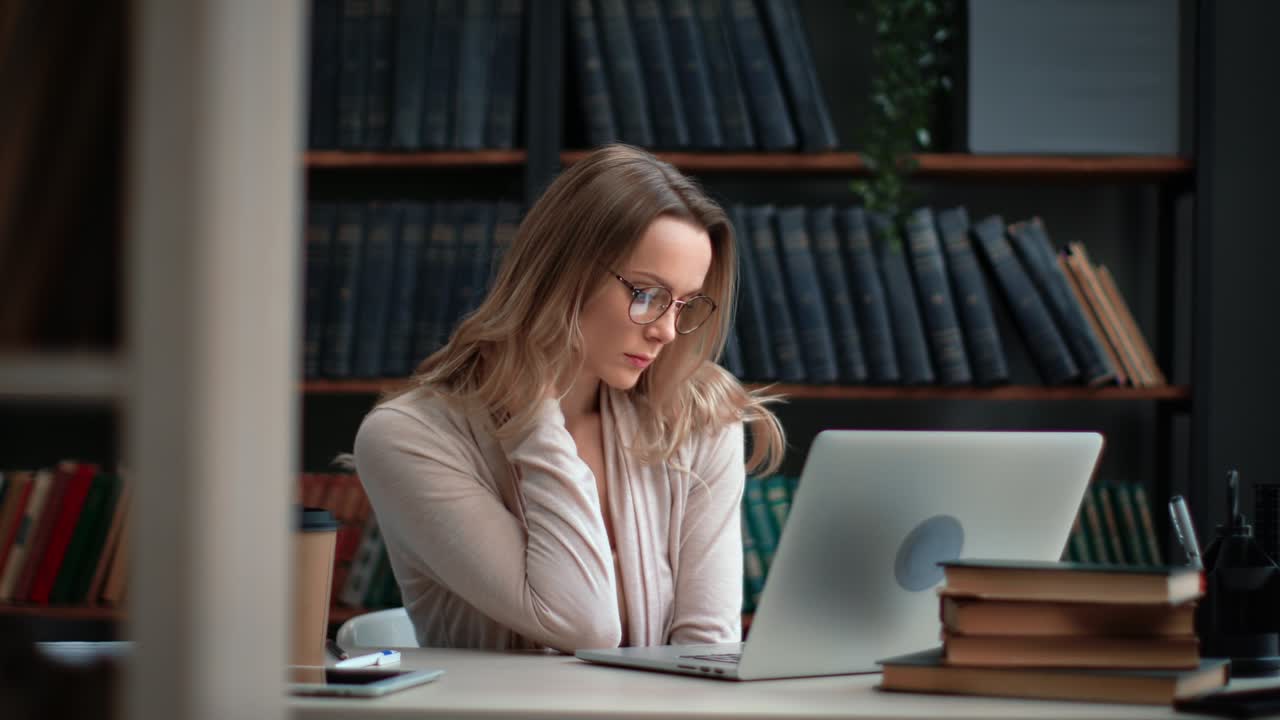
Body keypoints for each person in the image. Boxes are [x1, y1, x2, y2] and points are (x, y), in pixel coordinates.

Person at [352, 144, 784, 653]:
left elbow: (707, 649)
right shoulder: (406, 438)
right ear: (563, 274)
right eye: (646, 295)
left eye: (686, 304)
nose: (668, 331)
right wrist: (536, 414)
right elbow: (581, 623)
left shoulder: (698, 417)